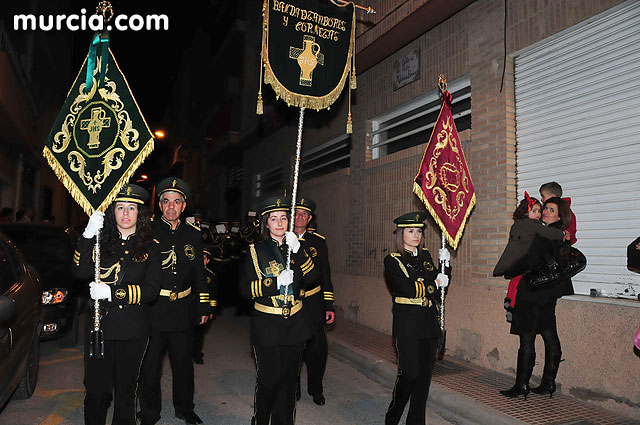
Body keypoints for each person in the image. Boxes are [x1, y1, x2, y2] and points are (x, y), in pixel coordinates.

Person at [72, 184, 161, 425]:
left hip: (134, 329)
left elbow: (151, 291)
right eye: (120, 207)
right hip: (100, 328)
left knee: (126, 390)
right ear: (112, 212)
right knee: (96, 390)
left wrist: (111, 292)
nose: (125, 213)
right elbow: (79, 272)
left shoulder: (151, 247)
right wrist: (88, 235)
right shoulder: (101, 242)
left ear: (139, 214)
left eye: (131, 208)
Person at [239, 196, 319, 425]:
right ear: (266, 223)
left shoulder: (296, 247)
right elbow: (246, 289)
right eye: (274, 219)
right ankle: (261, 420)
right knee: (269, 380)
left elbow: (313, 278)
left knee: (288, 382)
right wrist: (274, 283)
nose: (280, 223)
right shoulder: (256, 250)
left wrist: (299, 250)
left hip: (295, 323)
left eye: (284, 218)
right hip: (267, 324)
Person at [138, 178, 210, 425]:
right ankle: (149, 412)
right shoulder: (146, 231)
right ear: (159, 205)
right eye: (166, 201)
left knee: (183, 364)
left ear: (184, 206)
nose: (171, 206)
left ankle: (184, 408)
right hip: (154, 309)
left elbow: (200, 274)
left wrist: (203, 305)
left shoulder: (193, 235)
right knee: (150, 366)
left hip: (182, 310)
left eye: (176, 201)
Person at [500, 197, 573, 400]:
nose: (545, 213)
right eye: (545, 209)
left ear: (559, 216)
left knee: (527, 337)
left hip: (532, 292)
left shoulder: (541, 235)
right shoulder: (559, 235)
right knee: (549, 334)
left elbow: (526, 262)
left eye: (551, 210)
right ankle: (548, 383)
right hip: (548, 294)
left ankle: (521, 385)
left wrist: (509, 270)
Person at [384, 212, 449, 425]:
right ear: (401, 234)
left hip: (428, 323)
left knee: (424, 378)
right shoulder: (393, 260)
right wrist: (436, 283)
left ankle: (416, 421)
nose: (416, 236)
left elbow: (440, 289)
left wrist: (446, 266)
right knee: (409, 374)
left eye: (419, 231)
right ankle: (393, 415)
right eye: (410, 231)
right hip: (407, 324)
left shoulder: (427, 257)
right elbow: (410, 288)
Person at [494, 193, 567, 320]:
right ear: (525, 213)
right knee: (518, 280)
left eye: (539, 210)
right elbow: (548, 232)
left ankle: (509, 299)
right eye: (534, 211)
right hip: (522, 259)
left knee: (514, 280)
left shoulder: (517, 224)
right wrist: (562, 234)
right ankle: (511, 306)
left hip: (513, 259)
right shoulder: (532, 224)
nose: (538, 214)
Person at [293, 197, 335, 406]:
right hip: (291, 304)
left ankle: (316, 389)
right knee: (293, 349)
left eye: (304, 214)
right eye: (297, 213)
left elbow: (326, 275)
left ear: (310, 218)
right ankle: (293, 388)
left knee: (317, 350)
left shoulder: (318, 241)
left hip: (313, 303)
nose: (300, 217)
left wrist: (329, 305)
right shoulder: (281, 239)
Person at [192, 244, 218, 364]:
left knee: (198, 334)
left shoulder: (210, 276)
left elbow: (213, 294)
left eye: (203, 258)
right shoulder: (189, 272)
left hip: (201, 308)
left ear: (207, 261)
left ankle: (197, 354)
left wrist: (212, 310)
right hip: (188, 306)